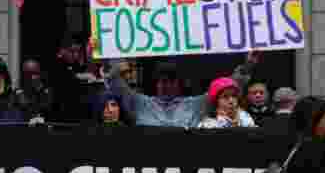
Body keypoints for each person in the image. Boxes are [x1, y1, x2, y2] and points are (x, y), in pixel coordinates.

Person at [103, 50, 263, 128]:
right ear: (156, 84)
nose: (165, 85)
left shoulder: (195, 105)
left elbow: (227, 88)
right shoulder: (141, 103)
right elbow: (117, 85)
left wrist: (248, 66)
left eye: (170, 81)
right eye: (161, 81)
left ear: (178, 84)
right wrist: (102, 56)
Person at [13, 58, 54, 124]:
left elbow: (48, 109)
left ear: (40, 73)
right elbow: (17, 110)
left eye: (35, 73)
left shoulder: (47, 91)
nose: (33, 77)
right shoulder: (18, 92)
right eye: (29, 74)